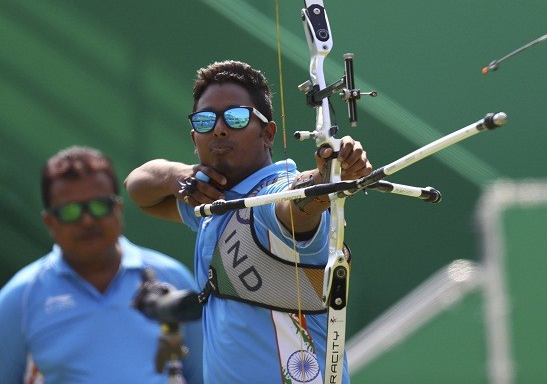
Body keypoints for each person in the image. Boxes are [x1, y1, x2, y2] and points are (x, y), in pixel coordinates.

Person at [124, 60, 372, 383]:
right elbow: (138, 188)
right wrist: (180, 176)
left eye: (236, 117)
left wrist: (326, 177)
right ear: (194, 136)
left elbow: (295, 202)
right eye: (205, 120)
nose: (219, 128)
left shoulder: (271, 198)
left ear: (268, 133)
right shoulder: (212, 201)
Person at [0, 146, 204, 384]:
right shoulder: (20, 297)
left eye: (99, 205)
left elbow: (204, 374)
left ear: (118, 208)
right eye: (70, 211)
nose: (87, 220)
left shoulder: (171, 276)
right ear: (49, 222)